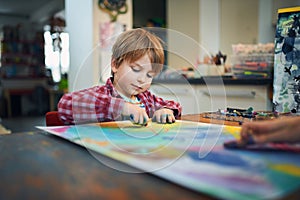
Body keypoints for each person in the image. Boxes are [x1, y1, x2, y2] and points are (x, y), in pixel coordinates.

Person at [58, 28, 182, 125]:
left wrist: (166, 111)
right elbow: (65, 104)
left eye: (149, 75)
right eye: (136, 69)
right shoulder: (101, 95)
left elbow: (174, 105)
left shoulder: (146, 99)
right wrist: (122, 107)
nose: (142, 79)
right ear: (115, 64)